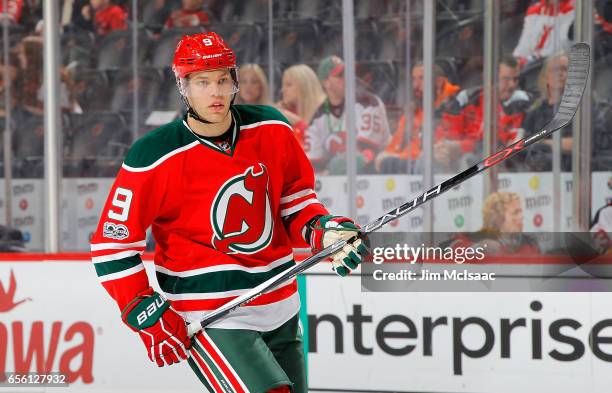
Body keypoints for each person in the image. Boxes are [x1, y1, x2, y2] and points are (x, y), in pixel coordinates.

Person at [90, 32, 367, 393]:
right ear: (183, 86)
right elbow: (112, 248)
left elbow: (295, 202)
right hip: (210, 314)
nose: (215, 92)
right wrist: (146, 311)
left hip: (279, 304)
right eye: (202, 82)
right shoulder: (153, 155)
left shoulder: (270, 128)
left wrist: (325, 230)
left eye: (223, 80)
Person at [435, 56, 532, 171]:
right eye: (506, 79)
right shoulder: (467, 98)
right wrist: (441, 147)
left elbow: (500, 145)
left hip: (501, 165)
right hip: (459, 160)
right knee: (430, 160)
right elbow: (449, 131)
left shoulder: (522, 102)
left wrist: (461, 147)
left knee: (471, 159)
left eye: (515, 79)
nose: (512, 85)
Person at [305, 55, 390, 174]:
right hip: (336, 178)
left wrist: (332, 168)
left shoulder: (368, 103)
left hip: (374, 175)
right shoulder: (318, 117)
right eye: (340, 75)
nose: (346, 78)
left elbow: (367, 152)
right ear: (326, 83)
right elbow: (313, 162)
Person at [375, 61, 459, 174]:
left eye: (422, 78)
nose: (415, 85)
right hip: (408, 171)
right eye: (414, 79)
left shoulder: (451, 112)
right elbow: (392, 150)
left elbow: (443, 153)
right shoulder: (410, 115)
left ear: (438, 82)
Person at [522, 53, 571, 170]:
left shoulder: (582, 109)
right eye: (555, 70)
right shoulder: (534, 113)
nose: (559, 74)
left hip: (571, 170)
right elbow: (522, 143)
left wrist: (543, 144)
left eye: (564, 69)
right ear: (546, 77)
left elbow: (581, 143)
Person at [275, 64, 326, 147]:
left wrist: (298, 123)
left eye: (288, 85)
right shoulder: (285, 111)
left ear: (304, 86)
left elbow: (317, 147)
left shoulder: (323, 110)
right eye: (283, 85)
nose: (283, 90)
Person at [512, 0, 575, 66]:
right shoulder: (534, 10)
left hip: (555, 66)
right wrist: (518, 60)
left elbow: (561, 46)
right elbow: (524, 45)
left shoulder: (575, 11)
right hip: (531, 66)